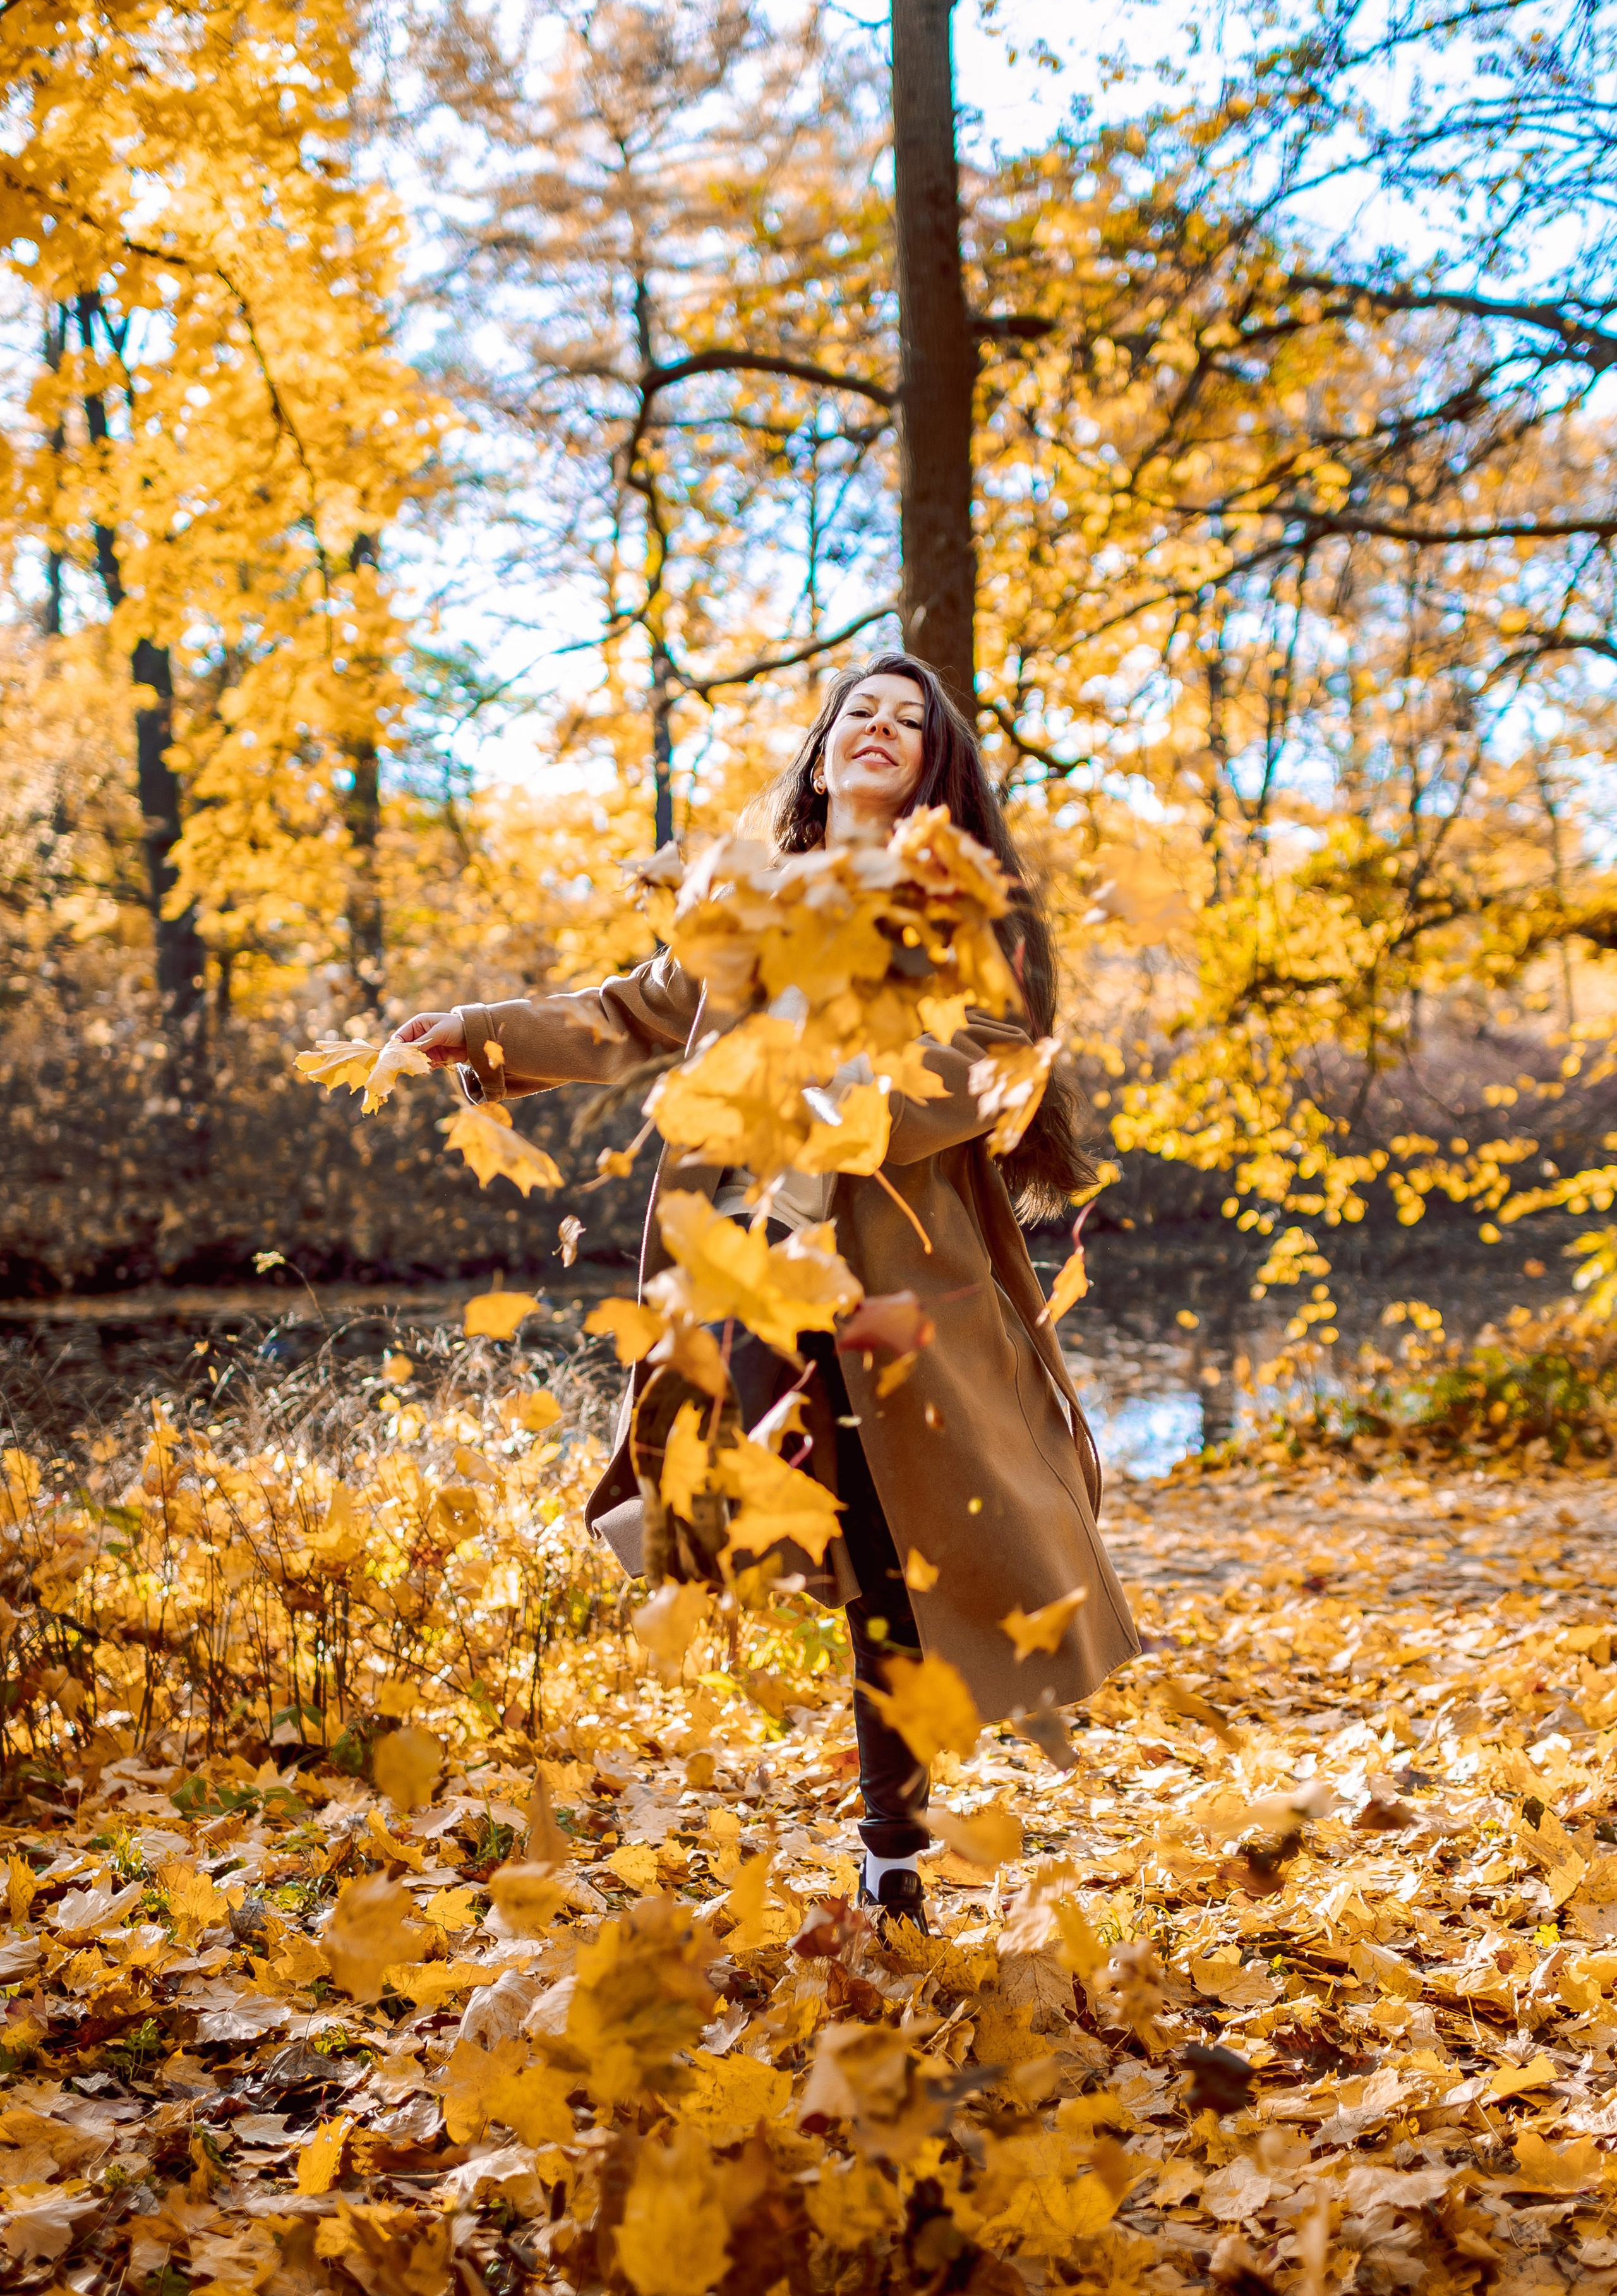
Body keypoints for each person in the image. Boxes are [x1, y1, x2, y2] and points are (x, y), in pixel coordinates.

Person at [390, 652, 1139, 1926]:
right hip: (745, 1260)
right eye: (860, 713)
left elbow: (997, 1051)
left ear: (935, 768)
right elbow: (632, 1012)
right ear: (823, 753)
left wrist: (853, 1106)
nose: (880, 729)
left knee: (893, 1561)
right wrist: (483, 1028)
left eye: (909, 722)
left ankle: (890, 1850)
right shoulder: (748, 899)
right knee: (726, 1480)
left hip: (897, 1277)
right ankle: (706, 1549)